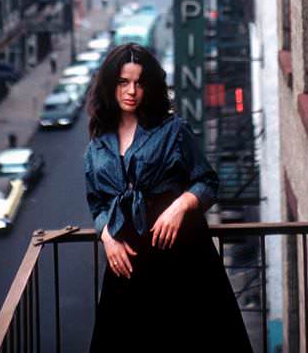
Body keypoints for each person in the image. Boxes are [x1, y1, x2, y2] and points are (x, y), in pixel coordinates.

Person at [83, 42, 253, 353]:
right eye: (123, 82)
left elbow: (208, 181)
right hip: (128, 266)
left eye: (139, 82)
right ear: (111, 85)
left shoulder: (174, 131)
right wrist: (107, 236)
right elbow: (97, 204)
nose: (131, 90)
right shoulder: (97, 145)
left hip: (181, 259)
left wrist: (181, 205)